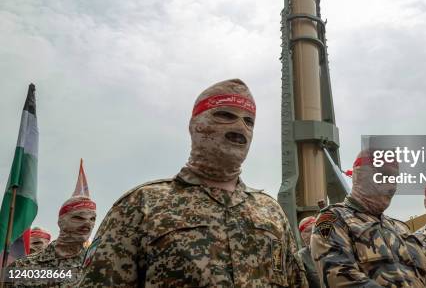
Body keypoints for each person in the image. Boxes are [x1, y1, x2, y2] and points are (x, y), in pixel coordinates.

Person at [77, 79, 306, 287]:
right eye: (225, 115)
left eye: (249, 121)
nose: (240, 128)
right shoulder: (141, 205)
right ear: (195, 125)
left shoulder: (270, 212)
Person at [311, 152, 426, 287]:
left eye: (395, 178)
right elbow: (340, 278)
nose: (392, 186)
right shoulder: (334, 220)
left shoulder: (400, 228)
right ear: (360, 177)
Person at [9, 196, 96, 287]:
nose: (87, 224)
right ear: (61, 222)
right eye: (78, 218)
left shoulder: (98, 263)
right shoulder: (22, 266)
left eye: (92, 219)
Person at [295, 216, 320, 288]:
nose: (311, 234)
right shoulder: (301, 256)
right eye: (306, 231)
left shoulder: (332, 250)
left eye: (313, 230)